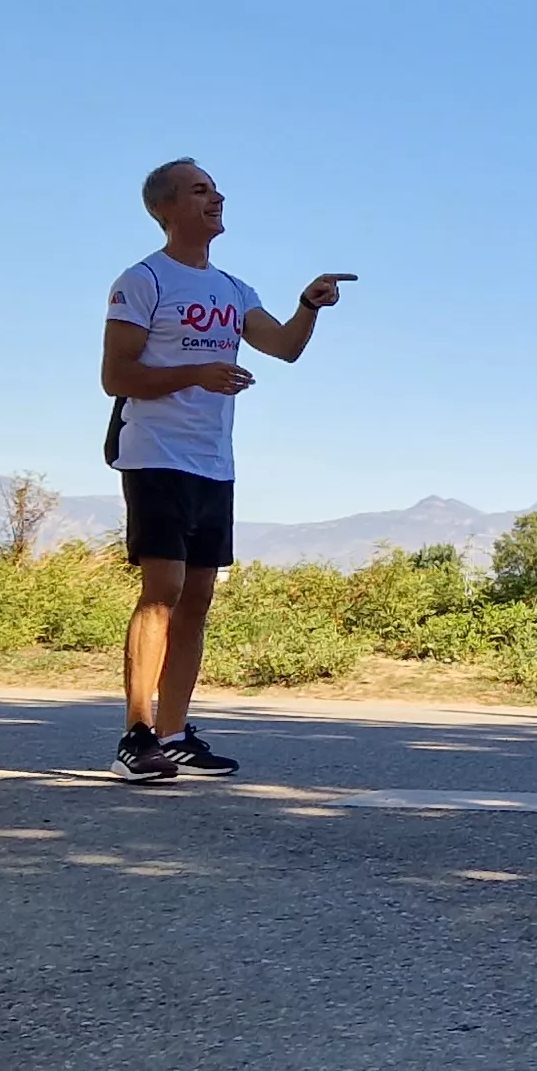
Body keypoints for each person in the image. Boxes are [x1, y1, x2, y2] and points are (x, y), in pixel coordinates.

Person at [99, 159, 354, 783]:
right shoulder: (143, 279)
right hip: (156, 454)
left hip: (213, 462)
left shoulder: (235, 290)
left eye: (214, 189)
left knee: (198, 599)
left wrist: (309, 304)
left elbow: (285, 346)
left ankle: (174, 733)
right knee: (160, 593)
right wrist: (196, 374)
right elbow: (117, 376)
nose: (216, 197)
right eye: (199, 190)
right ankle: (135, 736)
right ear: (165, 209)